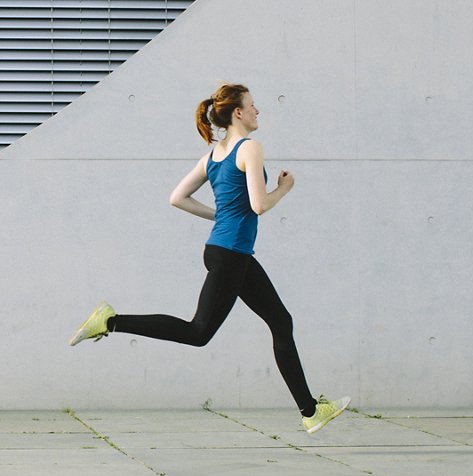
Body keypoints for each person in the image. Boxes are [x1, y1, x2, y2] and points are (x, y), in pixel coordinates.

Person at [68, 83, 349, 434]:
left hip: (227, 251)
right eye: (252, 105)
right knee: (198, 332)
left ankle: (311, 411)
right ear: (238, 113)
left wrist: (221, 216)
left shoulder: (213, 156)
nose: (258, 111)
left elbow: (178, 197)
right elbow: (259, 205)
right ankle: (110, 321)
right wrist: (284, 189)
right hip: (231, 254)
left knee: (280, 320)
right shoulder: (250, 148)